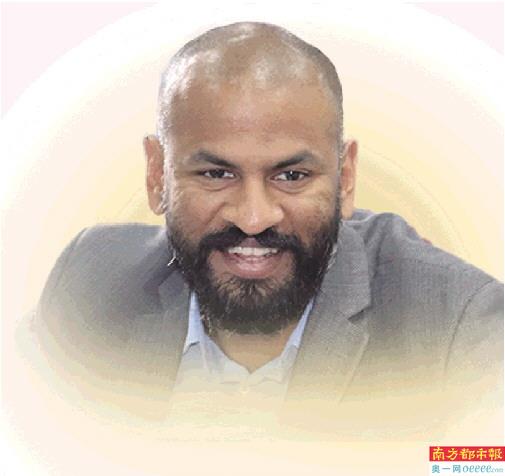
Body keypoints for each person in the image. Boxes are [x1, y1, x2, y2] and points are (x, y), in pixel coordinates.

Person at [18, 21, 502, 441]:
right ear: (157, 175)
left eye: (291, 176)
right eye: (216, 174)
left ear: (346, 178)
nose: (253, 218)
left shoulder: (458, 328)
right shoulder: (89, 278)